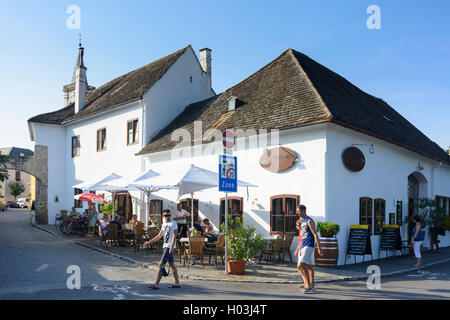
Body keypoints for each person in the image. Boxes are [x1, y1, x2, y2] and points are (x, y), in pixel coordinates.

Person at [144, 210, 181, 289]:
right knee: (172, 265)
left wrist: (171, 247)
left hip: (168, 247)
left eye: (169, 215)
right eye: (166, 215)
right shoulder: (164, 224)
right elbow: (159, 236)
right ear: (163, 216)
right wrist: (149, 242)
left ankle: (156, 284)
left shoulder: (173, 223)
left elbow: (174, 236)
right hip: (165, 246)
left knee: (161, 264)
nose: (167, 217)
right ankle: (177, 283)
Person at [296, 205, 322, 294]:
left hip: (309, 246)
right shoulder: (302, 221)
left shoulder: (309, 221)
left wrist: (319, 248)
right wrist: (299, 228)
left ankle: (309, 286)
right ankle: (311, 284)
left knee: (301, 265)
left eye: (298, 211)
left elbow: (315, 235)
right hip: (303, 245)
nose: (297, 212)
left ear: (303, 211)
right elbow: (303, 234)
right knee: (309, 267)